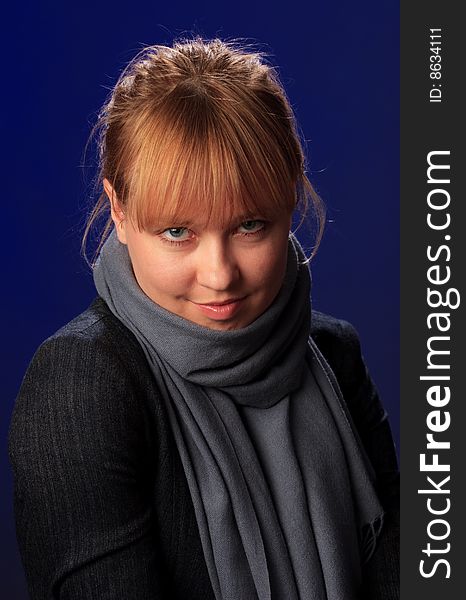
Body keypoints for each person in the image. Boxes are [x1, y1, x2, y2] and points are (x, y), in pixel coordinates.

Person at [8, 37, 399, 600]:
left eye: (249, 226)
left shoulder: (336, 354)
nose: (219, 275)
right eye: (176, 232)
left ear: (290, 197)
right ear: (119, 211)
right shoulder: (80, 386)